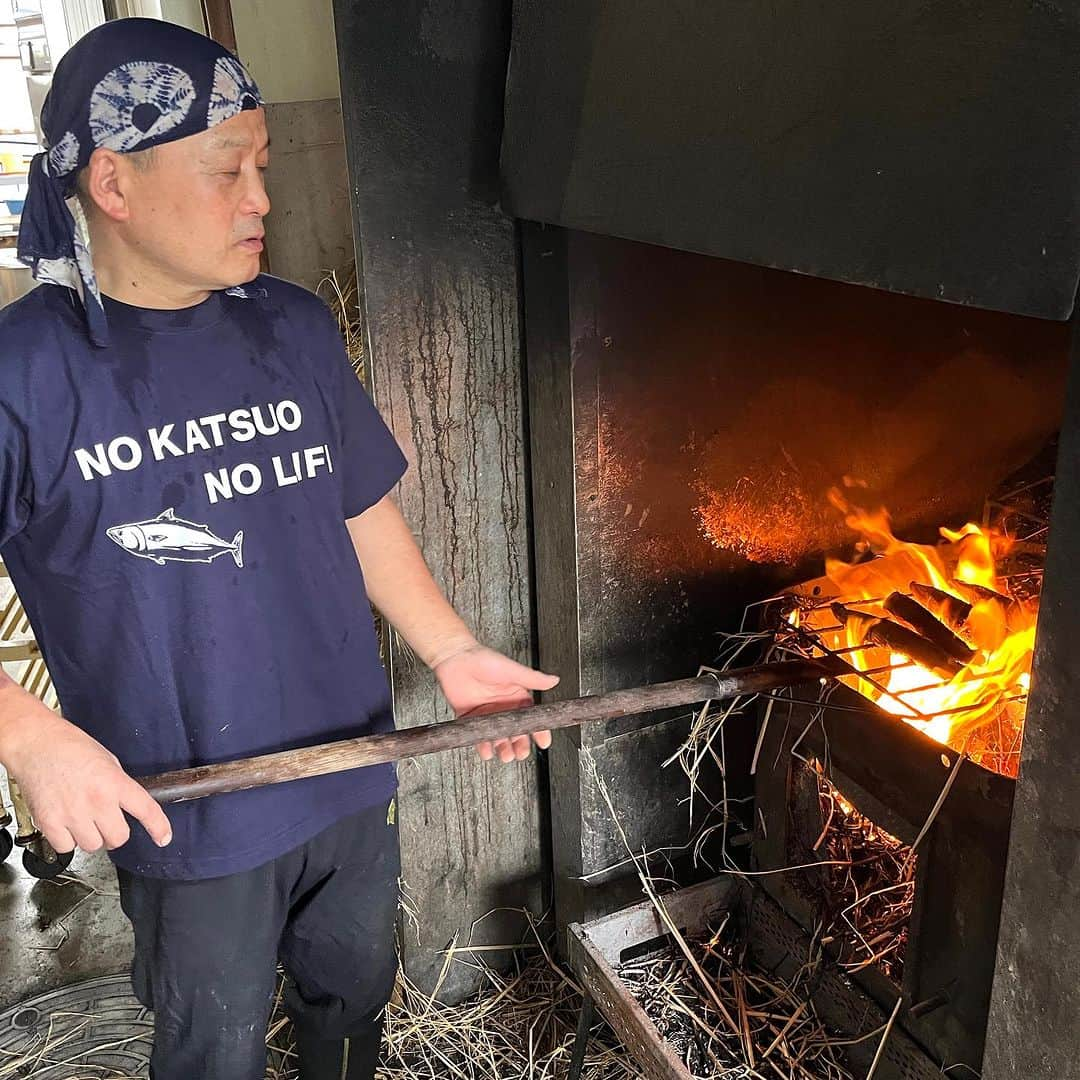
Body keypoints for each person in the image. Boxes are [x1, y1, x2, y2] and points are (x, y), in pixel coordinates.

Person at [0, 18, 557, 1080]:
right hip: (190, 815)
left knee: (350, 1003)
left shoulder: (290, 327)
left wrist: (451, 652)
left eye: (262, 164)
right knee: (213, 1047)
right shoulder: (24, 376)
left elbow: (355, 508)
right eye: (227, 171)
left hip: (351, 768)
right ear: (112, 185)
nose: (263, 196)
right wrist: (25, 732)